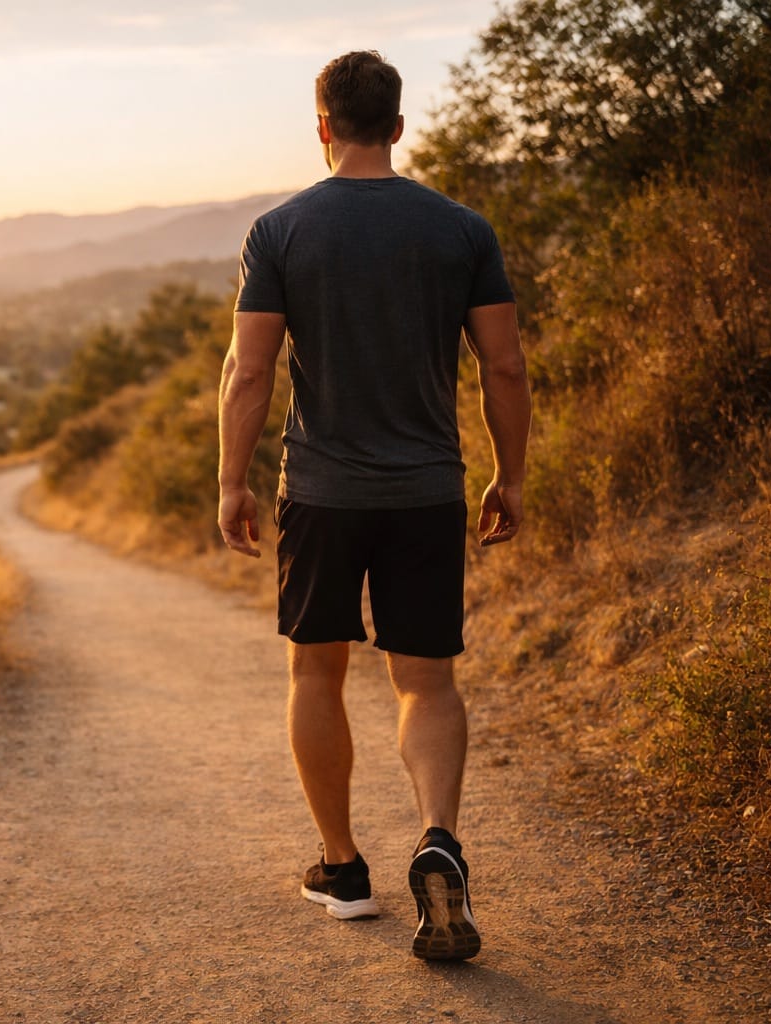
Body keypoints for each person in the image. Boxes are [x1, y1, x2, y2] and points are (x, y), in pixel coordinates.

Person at [215, 50, 531, 961]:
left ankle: (344, 870)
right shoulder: (462, 230)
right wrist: (510, 476)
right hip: (428, 490)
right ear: (398, 125)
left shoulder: (280, 231)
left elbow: (249, 371)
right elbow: (503, 366)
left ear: (322, 127)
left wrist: (233, 482)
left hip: (318, 491)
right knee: (425, 681)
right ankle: (438, 837)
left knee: (316, 673)